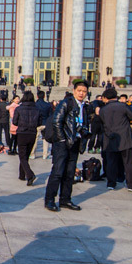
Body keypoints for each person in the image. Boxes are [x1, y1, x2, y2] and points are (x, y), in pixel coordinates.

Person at [44, 80, 90, 212]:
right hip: (63, 144)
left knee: (70, 173)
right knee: (58, 172)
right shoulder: (66, 103)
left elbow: (82, 123)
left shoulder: (84, 107)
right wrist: (62, 140)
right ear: (74, 91)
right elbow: (56, 122)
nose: (81, 93)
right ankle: (50, 200)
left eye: (84, 91)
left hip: (75, 143)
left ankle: (65, 199)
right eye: (79, 91)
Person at [99, 88, 132, 191]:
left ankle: (111, 183)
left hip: (110, 139)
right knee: (128, 163)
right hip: (125, 139)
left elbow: (102, 124)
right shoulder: (123, 106)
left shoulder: (103, 110)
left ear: (105, 98)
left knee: (111, 162)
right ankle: (131, 184)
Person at [12, 91, 42, 186]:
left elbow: (15, 122)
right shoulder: (37, 109)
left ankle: (29, 175)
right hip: (32, 133)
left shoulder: (19, 109)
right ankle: (22, 175)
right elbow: (39, 122)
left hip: (22, 133)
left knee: (22, 156)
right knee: (26, 155)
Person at [30, 90, 52, 160]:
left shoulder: (34, 105)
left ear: (37, 96)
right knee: (45, 139)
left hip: (36, 124)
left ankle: (32, 154)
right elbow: (50, 115)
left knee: (35, 139)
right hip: (45, 123)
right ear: (44, 96)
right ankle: (45, 155)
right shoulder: (48, 105)